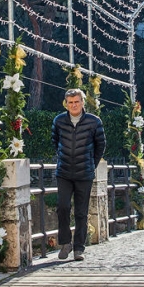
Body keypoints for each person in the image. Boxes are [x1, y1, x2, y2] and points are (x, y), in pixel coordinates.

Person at [51, 88, 106, 261]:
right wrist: (64, 158)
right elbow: (55, 142)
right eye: (70, 102)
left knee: (81, 212)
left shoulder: (94, 122)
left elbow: (100, 145)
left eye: (76, 102)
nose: (74, 105)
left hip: (84, 173)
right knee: (63, 207)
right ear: (66, 104)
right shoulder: (59, 121)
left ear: (82, 102)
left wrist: (91, 164)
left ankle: (79, 248)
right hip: (64, 172)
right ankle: (65, 242)